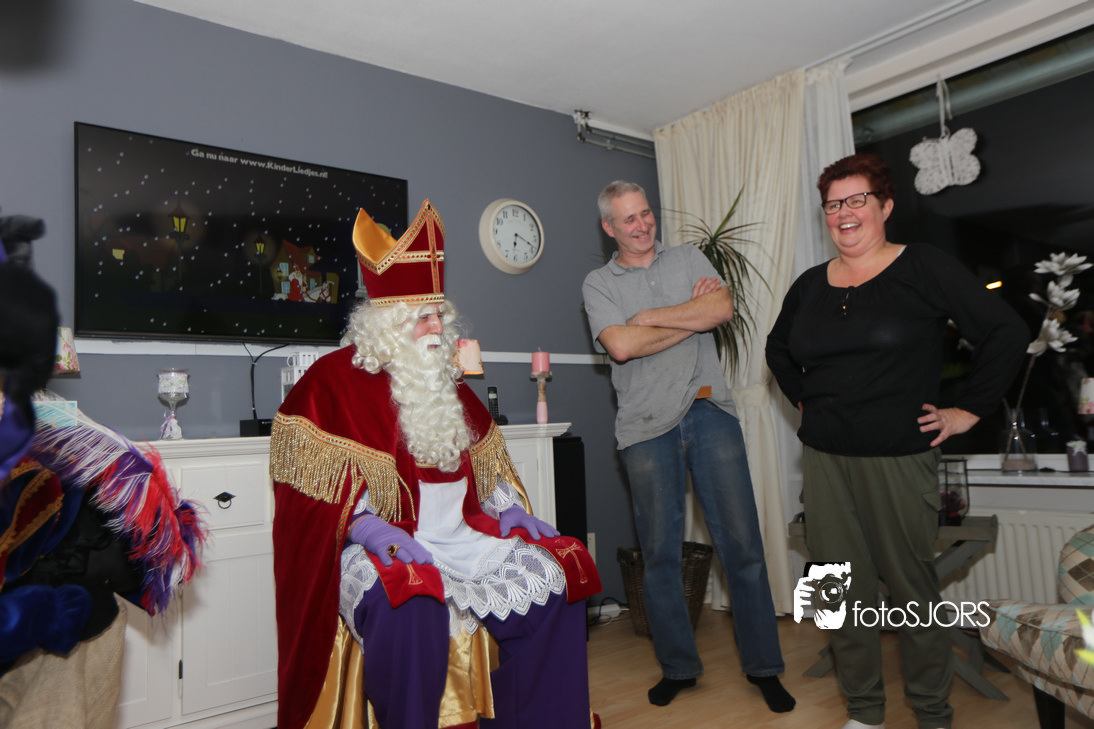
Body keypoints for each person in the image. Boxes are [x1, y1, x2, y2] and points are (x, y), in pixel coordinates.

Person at [270, 200, 601, 729]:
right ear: (387, 323)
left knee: (561, 571)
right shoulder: (330, 383)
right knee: (412, 605)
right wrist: (365, 526)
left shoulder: (447, 383)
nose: (436, 326)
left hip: (461, 536)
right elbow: (310, 496)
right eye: (422, 316)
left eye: (438, 314)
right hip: (380, 544)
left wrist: (508, 508)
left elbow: (483, 466)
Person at [765, 153, 1027, 729]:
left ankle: (932, 713)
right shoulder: (810, 285)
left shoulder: (922, 266)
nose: (845, 212)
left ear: (885, 206)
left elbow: (1005, 331)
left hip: (898, 459)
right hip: (824, 460)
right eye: (834, 203)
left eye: (858, 199)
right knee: (835, 592)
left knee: (913, 593)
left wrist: (969, 410)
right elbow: (778, 349)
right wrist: (804, 399)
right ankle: (864, 713)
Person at [582, 181, 794, 712]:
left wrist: (649, 318)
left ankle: (764, 667)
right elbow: (621, 346)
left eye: (645, 213)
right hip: (645, 427)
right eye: (628, 219)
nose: (642, 225)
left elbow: (721, 309)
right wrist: (687, 315)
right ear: (609, 227)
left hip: (708, 411)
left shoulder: (688, 257)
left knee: (743, 546)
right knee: (659, 553)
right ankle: (678, 667)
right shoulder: (598, 283)